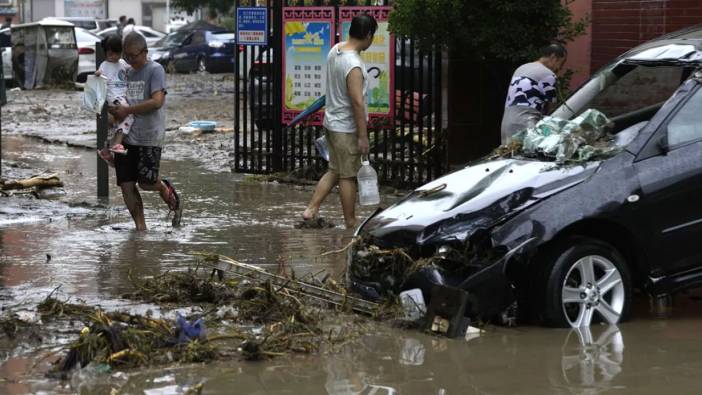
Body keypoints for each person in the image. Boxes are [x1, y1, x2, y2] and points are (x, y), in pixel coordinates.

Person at [301, 14, 377, 229]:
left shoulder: (336, 49)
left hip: (332, 122)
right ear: (368, 35)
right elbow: (357, 102)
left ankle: (311, 209)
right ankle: (351, 223)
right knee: (348, 176)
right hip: (345, 128)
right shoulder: (353, 64)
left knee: (335, 170)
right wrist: (362, 136)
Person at [108, 32, 183, 230]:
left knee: (146, 183)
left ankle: (163, 187)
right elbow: (119, 98)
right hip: (126, 138)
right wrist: (114, 112)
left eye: (134, 55)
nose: (131, 60)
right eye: (127, 56)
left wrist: (128, 110)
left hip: (149, 136)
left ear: (145, 52)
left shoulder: (155, 69)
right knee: (126, 185)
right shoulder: (126, 72)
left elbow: (157, 102)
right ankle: (140, 229)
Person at [500, 43, 568, 144]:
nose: (559, 68)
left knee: (507, 157)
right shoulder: (548, 74)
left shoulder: (521, 68)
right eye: (561, 63)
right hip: (526, 125)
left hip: (507, 125)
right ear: (553, 58)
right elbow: (551, 108)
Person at [96, 35, 133, 166]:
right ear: (106, 52)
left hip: (123, 97)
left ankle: (107, 150)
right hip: (114, 99)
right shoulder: (104, 65)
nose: (112, 56)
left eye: (116, 53)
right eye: (109, 53)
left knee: (115, 125)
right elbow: (98, 75)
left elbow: (132, 67)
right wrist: (98, 75)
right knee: (129, 115)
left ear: (120, 52)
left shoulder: (122, 63)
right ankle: (117, 143)